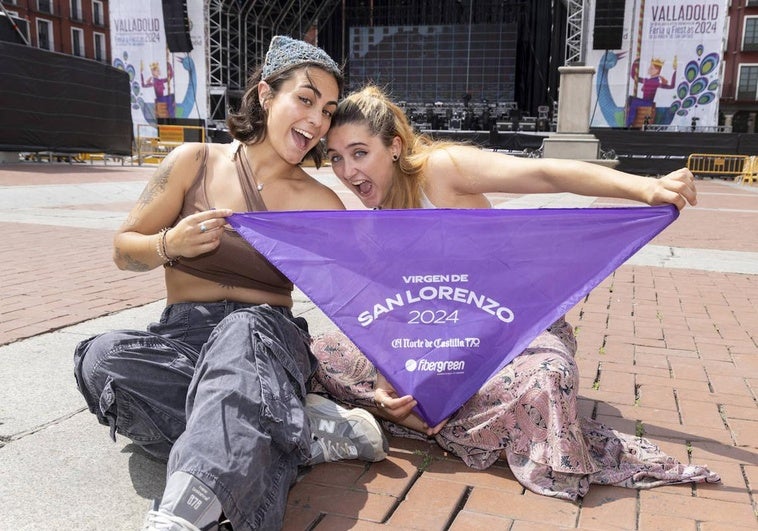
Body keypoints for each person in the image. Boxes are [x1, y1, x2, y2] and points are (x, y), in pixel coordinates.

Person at [309, 84, 720, 501]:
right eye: (337, 158)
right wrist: (387, 390)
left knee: (550, 378)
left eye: (360, 153)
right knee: (322, 350)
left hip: (512, 329)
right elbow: (392, 318)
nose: (347, 171)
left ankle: (453, 410)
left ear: (394, 147)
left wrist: (644, 188)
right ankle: (433, 412)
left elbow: (548, 173)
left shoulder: (441, 170)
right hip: (443, 339)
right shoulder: (377, 224)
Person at [73, 37, 388, 531]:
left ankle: (185, 514)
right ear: (266, 94)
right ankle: (296, 430)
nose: (316, 121)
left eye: (327, 111)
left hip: (265, 338)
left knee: (241, 331)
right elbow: (122, 249)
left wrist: (394, 373)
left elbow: (363, 292)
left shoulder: (322, 203)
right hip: (181, 339)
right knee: (102, 359)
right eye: (305, 99)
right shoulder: (193, 162)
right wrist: (167, 246)